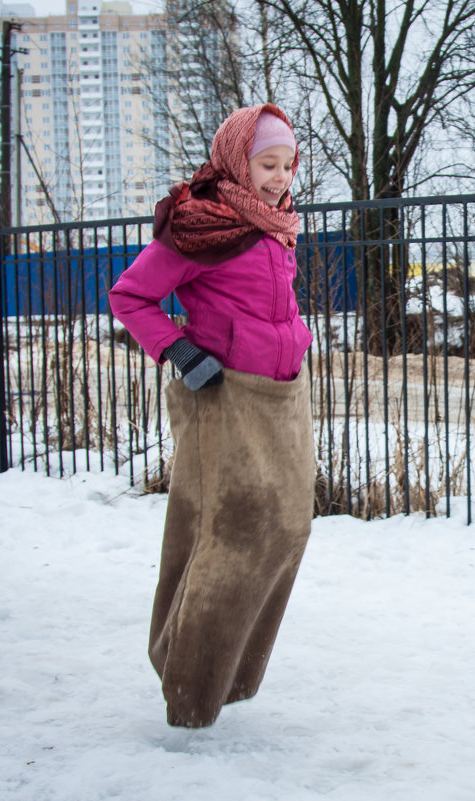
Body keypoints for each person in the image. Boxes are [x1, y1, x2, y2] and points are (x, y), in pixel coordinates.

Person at [108, 104, 314, 728]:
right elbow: (131, 296)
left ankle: (227, 674)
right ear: (236, 161)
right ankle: (191, 688)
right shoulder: (200, 225)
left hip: (283, 394)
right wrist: (177, 348)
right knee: (230, 534)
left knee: (289, 527)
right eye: (266, 165)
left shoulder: (273, 222)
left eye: (286, 165)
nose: (279, 178)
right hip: (224, 392)